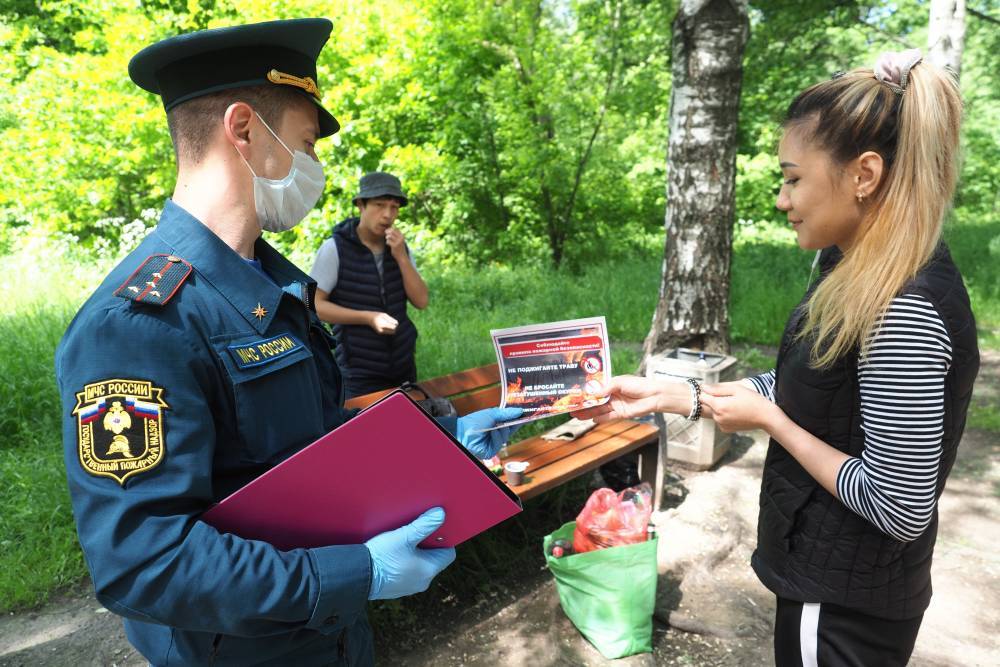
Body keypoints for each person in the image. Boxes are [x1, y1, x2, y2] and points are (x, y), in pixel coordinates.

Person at [55, 19, 518, 666]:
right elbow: (145, 563)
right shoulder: (138, 324)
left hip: (331, 637)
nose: (318, 169)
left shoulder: (272, 288)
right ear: (243, 130)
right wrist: (359, 572)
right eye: (307, 144)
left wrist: (444, 446)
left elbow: (312, 450)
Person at [575, 50, 979, 666]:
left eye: (793, 178)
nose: (782, 198)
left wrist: (772, 425)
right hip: (833, 577)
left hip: (846, 606)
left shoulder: (903, 307)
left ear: (863, 175)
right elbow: (811, 386)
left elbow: (897, 507)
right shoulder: (852, 264)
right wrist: (680, 397)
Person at [310, 172, 427, 398]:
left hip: (402, 365)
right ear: (361, 205)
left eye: (394, 207)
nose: (387, 215)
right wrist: (368, 317)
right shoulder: (334, 248)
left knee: (407, 430)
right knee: (367, 432)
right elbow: (312, 305)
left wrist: (401, 257)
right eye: (379, 205)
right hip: (358, 371)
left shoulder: (399, 247)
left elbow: (421, 301)